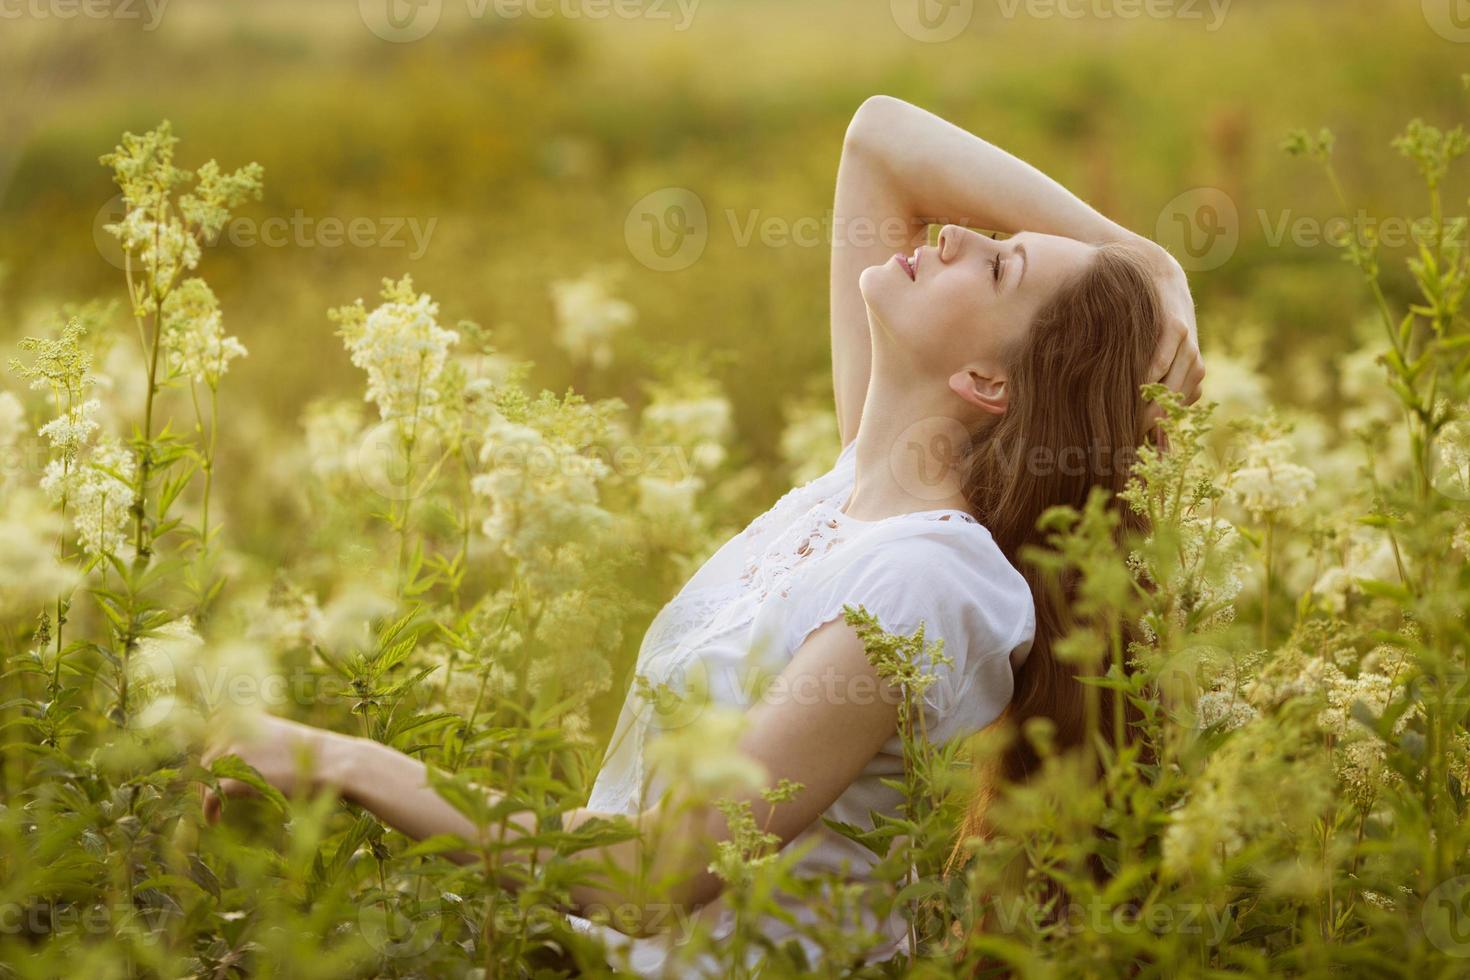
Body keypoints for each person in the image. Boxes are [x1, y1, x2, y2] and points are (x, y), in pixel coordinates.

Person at [201, 95, 1203, 973]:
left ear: (984, 383)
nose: (954, 235)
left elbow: (661, 867)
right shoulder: (856, 484)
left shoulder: (927, 582)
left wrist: (343, 761)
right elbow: (881, 140)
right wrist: (1149, 260)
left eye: (995, 268)